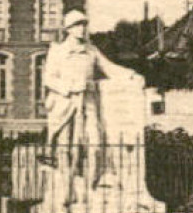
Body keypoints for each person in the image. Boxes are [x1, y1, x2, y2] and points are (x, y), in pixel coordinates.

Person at [41, 10, 139, 197]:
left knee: (94, 144)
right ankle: (66, 190)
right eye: (78, 25)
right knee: (67, 149)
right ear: (69, 29)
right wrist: (69, 87)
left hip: (89, 103)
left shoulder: (91, 50)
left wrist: (131, 74)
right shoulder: (58, 51)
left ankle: (91, 187)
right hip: (66, 105)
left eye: (84, 24)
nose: (82, 28)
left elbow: (109, 68)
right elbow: (49, 79)